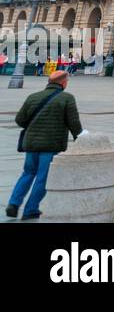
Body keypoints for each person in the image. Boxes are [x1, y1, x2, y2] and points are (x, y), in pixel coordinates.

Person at [7, 70, 83, 220]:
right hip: (51, 145)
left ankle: (13, 203)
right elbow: (73, 123)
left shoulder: (33, 97)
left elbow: (20, 120)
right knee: (43, 177)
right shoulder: (67, 98)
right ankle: (31, 209)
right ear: (63, 83)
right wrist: (80, 138)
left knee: (28, 173)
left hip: (32, 144)